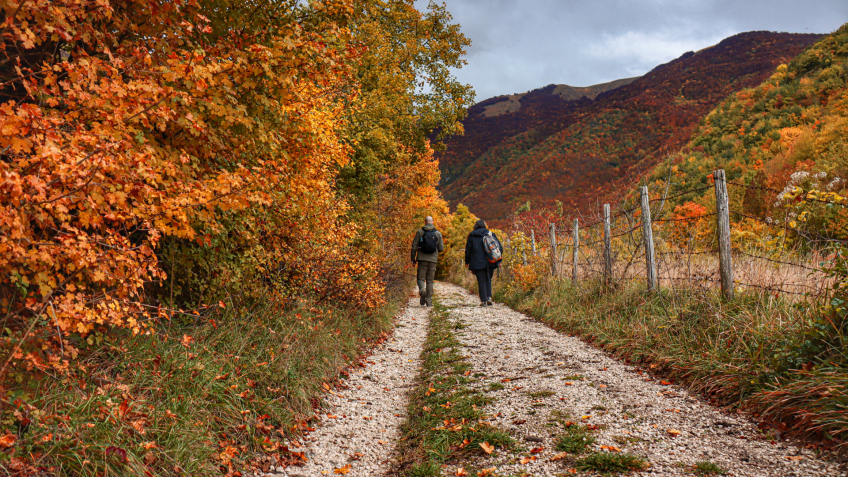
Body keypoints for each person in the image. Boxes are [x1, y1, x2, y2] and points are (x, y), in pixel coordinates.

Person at [464, 219, 502, 306]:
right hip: (490, 260)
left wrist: (467, 261)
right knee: (488, 278)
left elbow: (468, 250)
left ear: (475, 226)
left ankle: (483, 301)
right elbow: (499, 248)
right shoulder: (490, 234)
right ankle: (489, 297)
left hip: (477, 261)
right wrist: (499, 260)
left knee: (481, 280)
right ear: (485, 225)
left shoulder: (472, 236)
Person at [411, 216, 444, 306]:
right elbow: (441, 248)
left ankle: (422, 291)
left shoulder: (420, 232)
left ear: (425, 222)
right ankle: (429, 301)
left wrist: (413, 259)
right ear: (432, 222)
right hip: (433, 260)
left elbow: (414, 246)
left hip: (422, 259)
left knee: (420, 279)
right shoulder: (437, 233)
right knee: (430, 281)